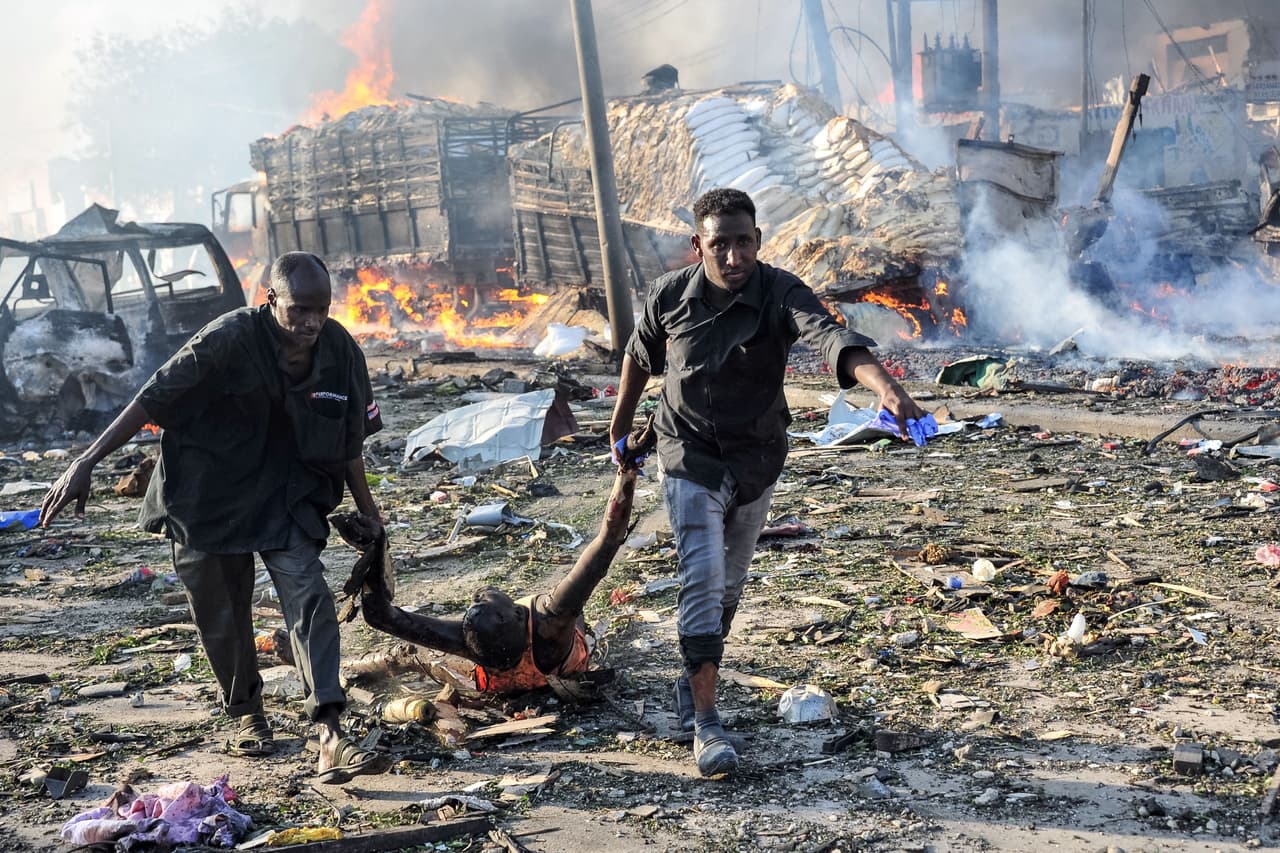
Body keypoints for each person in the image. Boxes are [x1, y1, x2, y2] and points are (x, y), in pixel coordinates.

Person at [607, 188, 927, 778]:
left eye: (743, 243)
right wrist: (621, 425)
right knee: (701, 580)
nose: (732, 257)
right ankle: (707, 723)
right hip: (688, 454)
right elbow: (638, 355)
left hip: (756, 460)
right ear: (697, 245)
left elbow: (833, 339)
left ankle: (691, 677)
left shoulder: (781, 291)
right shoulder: (670, 296)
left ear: (758, 241)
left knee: (728, 588)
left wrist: (886, 389)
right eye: (720, 244)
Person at [40, 252, 388, 785]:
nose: (312, 323)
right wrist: (86, 462)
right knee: (222, 611)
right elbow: (152, 398)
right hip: (209, 494)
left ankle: (330, 729)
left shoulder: (340, 351)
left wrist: (370, 515)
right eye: (300, 310)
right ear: (270, 300)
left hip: (286, 493)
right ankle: (247, 714)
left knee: (309, 595)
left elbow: (348, 444)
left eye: (321, 309)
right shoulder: (226, 339)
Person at [334, 416, 656, 694]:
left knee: (409, 654)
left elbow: (380, 616)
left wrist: (375, 550)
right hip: (560, 661)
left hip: (498, 685)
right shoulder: (551, 619)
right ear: (518, 613)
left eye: (475, 604)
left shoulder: (472, 644)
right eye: (483, 601)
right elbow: (607, 541)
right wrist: (627, 470)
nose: (478, 595)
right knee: (574, 609)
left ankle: (344, 667)